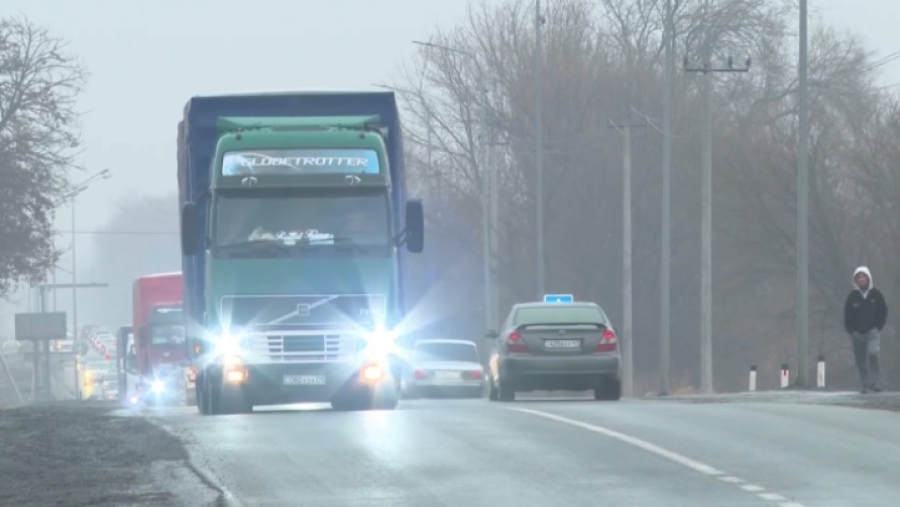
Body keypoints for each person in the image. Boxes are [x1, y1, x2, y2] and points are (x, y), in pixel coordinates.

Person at [843, 266, 887, 393]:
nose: (861, 279)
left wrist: (878, 327)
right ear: (855, 280)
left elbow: (883, 311)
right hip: (857, 334)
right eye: (859, 277)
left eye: (863, 276)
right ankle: (865, 384)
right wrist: (852, 331)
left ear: (868, 278)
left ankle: (876, 382)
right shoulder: (852, 297)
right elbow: (847, 315)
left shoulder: (876, 295)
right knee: (860, 360)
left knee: (873, 354)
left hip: (873, 332)